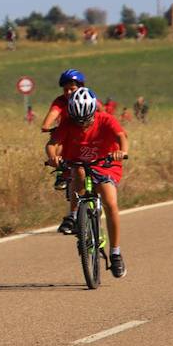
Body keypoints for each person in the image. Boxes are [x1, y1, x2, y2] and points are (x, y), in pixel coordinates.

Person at [47, 88, 130, 278]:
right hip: (77, 163)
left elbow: (121, 137)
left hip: (105, 164)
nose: (82, 125)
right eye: (78, 120)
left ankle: (115, 253)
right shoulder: (68, 123)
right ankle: (75, 215)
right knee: (79, 173)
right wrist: (53, 157)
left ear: (93, 112)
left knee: (110, 203)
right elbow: (52, 143)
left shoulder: (106, 119)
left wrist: (121, 152)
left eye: (86, 120)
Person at [43, 69, 86, 188]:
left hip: (87, 132)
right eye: (65, 89)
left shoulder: (88, 98)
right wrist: (47, 126)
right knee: (58, 142)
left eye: (72, 89)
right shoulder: (61, 101)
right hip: (67, 131)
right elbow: (53, 113)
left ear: (81, 87)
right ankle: (61, 171)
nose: (68, 92)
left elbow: (102, 114)